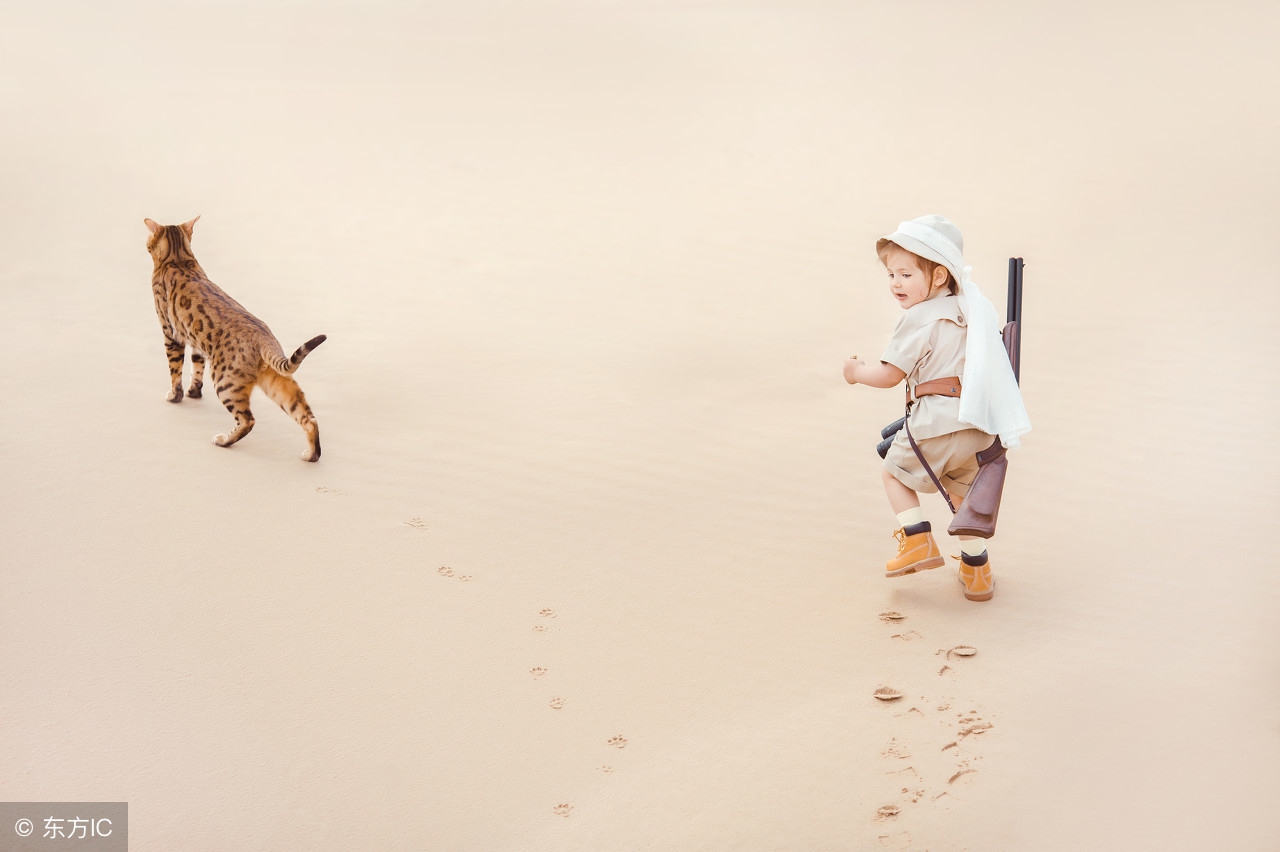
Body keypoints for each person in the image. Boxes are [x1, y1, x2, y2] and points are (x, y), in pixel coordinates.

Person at [843, 215, 1029, 602]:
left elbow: (891, 374)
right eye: (892, 274)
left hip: (936, 421)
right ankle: (977, 573)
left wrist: (858, 372)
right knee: (965, 501)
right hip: (979, 424)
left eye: (907, 274)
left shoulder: (919, 318)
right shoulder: (973, 313)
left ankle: (917, 541)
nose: (896, 283)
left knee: (894, 474)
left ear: (940, 276)